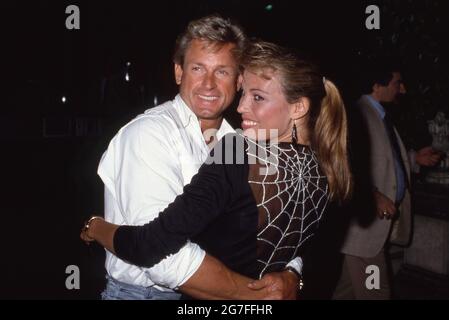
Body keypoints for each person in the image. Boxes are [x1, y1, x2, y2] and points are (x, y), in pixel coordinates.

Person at [82, 40, 354, 300]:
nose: (241, 106)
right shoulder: (328, 166)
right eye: (198, 68)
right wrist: (291, 274)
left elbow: (147, 246)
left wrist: (95, 227)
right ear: (179, 71)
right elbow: (298, 247)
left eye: (257, 97)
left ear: (298, 107)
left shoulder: (236, 148)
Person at [335, 62, 442, 299]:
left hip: (368, 230)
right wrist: (373, 194)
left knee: (348, 291)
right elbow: (344, 164)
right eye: (397, 83)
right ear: (376, 85)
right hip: (365, 226)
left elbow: (383, 159)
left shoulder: (378, 115)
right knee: (376, 293)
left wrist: (415, 159)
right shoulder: (359, 114)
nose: (402, 90)